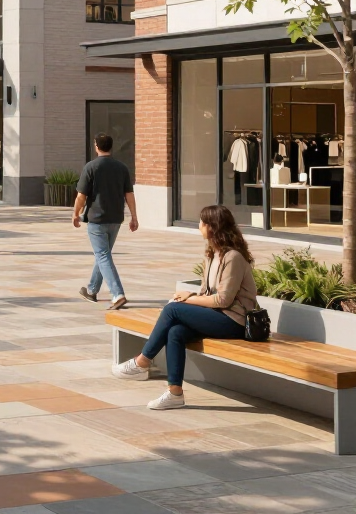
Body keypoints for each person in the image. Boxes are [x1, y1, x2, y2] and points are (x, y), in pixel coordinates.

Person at [113, 204, 257, 410]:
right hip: (216, 316)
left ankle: (142, 361)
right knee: (176, 332)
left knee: (172, 309)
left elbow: (223, 300)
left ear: (213, 227)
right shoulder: (212, 255)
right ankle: (175, 393)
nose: (199, 226)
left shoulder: (232, 257)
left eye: (202, 222)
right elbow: (208, 294)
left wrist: (186, 300)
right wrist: (190, 296)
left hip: (235, 321)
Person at [74, 132, 138, 310]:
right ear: (111, 147)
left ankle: (118, 294)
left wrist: (75, 213)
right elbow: (129, 194)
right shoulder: (121, 168)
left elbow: (81, 196)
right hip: (115, 219)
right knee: (103, 254)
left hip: (96, 219)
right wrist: (134, 216)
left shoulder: (91, 167)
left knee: (102, 255)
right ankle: (92, 290)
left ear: (96, 146)